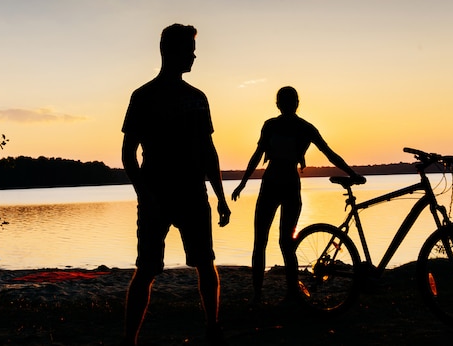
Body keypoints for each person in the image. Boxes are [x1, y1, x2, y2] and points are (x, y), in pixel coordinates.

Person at [120, 24, 231, 346]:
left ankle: (212, 329)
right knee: (146, 268)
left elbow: (209, 152)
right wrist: (145, 195)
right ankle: (130, 340)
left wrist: (221, 197)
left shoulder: (198, 98)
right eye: (189, 49)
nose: (194, 55)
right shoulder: (143, 96)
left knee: (206, 263)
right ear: (171, 51)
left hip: (194, 193)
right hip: (156, 194)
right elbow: (128, 153)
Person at [231, 86, 364, 302]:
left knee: (282, 242)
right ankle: (260, 295)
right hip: (275, 185)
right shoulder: (274, 126)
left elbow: (329, 154)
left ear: (290, 103)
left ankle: (288, 294)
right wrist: (242, 183)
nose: (287, 105)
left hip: (286, 185)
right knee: (265, 241)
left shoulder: (302, 127)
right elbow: (257, 155)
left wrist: (353, 173)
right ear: (286, 104)